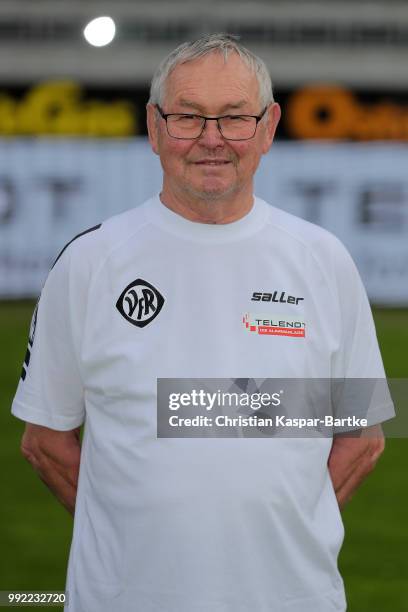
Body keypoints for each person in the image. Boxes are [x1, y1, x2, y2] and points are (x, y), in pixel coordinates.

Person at [12, 33, 394, 612]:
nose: (212, 139)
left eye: (235, 118)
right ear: (155, 126)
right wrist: (136, 541)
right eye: (188, 117)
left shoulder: (323, 259)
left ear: (268, 128)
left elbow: (361, 437)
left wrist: (285, 529)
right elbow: (45, 441)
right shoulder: (91, 261)